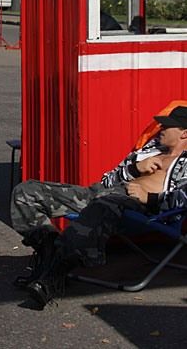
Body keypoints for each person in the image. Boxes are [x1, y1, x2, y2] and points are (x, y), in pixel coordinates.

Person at [11, 105, 187, 308]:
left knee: (102, 206)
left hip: (136, 208)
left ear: (184, 133)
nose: (161, 129)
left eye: (167, 126)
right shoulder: (150, 150)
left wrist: (150, 198)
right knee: (27, 191)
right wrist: (134, 168)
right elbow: (107, 180)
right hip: (100, 194)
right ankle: (48, 251)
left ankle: (53, 277)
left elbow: (184, 199)